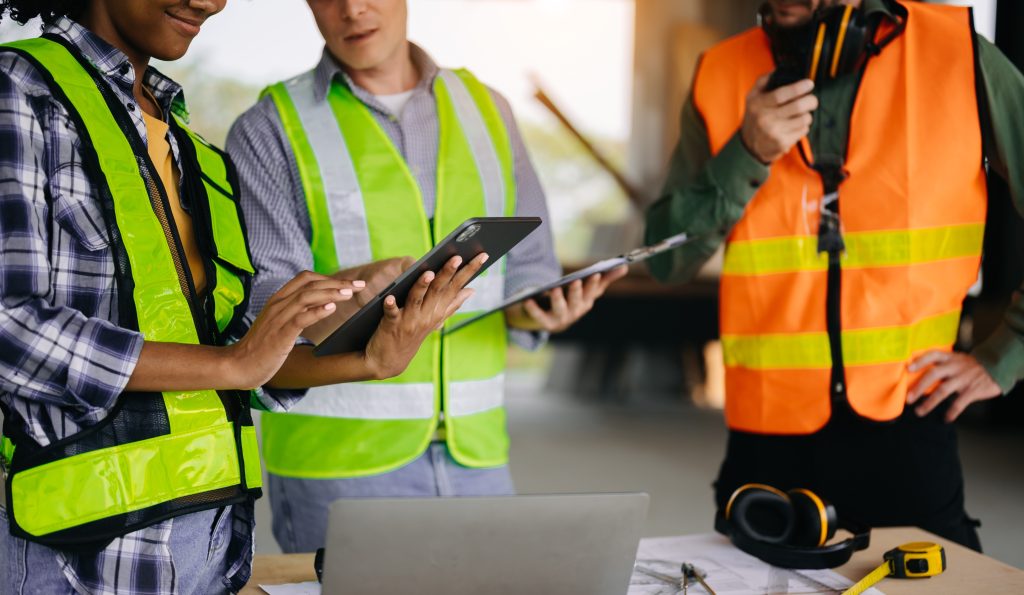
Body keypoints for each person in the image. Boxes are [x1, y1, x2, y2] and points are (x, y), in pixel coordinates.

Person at [0, 1, 478, 592]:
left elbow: (230, 357)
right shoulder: (17, 91)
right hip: (77, 564)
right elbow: (10, 329)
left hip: (209, 548)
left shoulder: (193, 151)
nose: (212, 1)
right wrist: (233, 361)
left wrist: (369, 361)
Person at [227, 0, 626, 554]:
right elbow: (268, 313)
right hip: (339, 466)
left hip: (477, 455)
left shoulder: (489, 110)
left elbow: (529, 267)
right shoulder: (270, 127)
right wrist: (352, 290)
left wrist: (537, 307)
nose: (351, 9)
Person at [646, 0, 1024, 551]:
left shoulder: (957, 53)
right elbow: (663, 259)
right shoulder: (720, 72)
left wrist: (1006, 355)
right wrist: (746, 152)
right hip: (766, 434)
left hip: (908, 415)